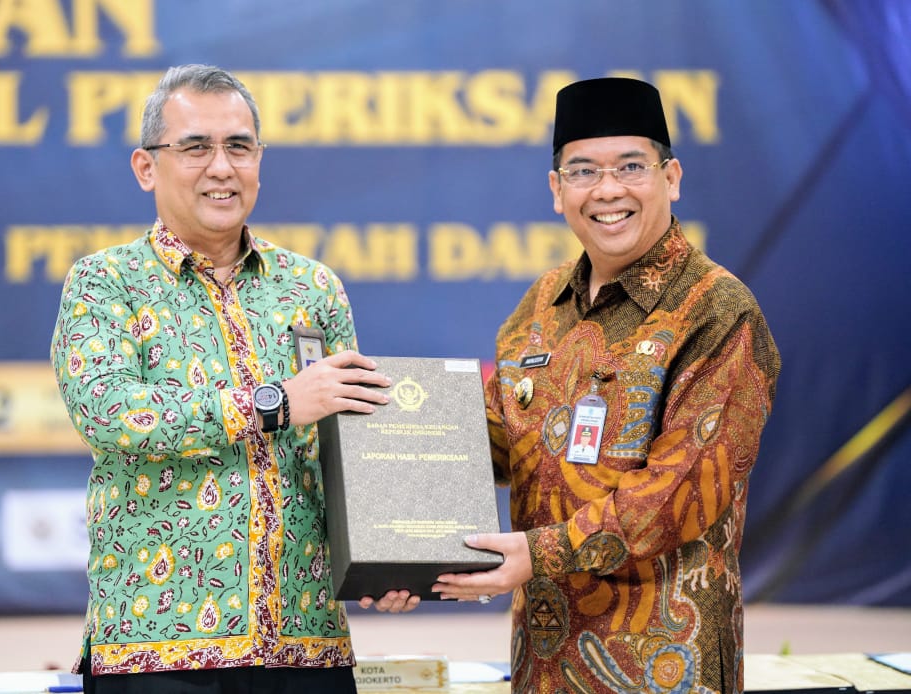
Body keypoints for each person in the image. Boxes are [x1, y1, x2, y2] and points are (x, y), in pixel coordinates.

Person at [50, 64, 414, 694]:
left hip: (306, 646)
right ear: (146, 167)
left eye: (239, 147)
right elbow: (111, 413)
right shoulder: (106, 282)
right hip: (157, 646)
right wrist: (275, 403)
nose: (221, 167)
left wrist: (385, 558)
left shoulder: (312, 287)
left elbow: (346, 448)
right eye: (195, 147)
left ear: (259, 161)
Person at [432, 78, 781, 693]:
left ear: (671, 178)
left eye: (631, 167)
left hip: (663, 665)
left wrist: (536, 554)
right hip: (543, 663)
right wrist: (386, 455)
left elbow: (678, 496)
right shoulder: (542, 302)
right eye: (584, 171)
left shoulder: (718, 311)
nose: (608, 189)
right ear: (557, 190)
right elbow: (492, 443)